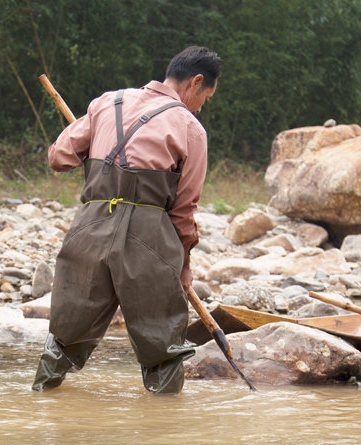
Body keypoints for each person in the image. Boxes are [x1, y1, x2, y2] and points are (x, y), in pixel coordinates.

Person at [32, 46, 222, 394]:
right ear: (195, 83)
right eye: (205, 98)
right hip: (149, 237)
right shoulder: (190, 128)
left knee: (65, 335)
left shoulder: (107, 102)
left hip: (89, 227)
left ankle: (42, 400)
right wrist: (182, 265)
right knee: (162, 346)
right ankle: (164, 431)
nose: (200, 106)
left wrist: (97, 152)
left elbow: (59, 157)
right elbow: (183, 210)